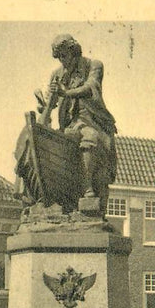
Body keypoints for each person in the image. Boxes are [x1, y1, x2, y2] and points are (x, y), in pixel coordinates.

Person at [45, 34, 118, 215]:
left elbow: (90, 87)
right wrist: (46, 102)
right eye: (59, 57)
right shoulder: (57, 74)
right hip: (68, 124)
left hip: (92, 120)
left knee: (90, 137)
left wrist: (66, 92)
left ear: (74, 51)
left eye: (65, 56)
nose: (63, 61)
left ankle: (87, 189)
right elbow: (51, 100)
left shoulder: (94, 65)